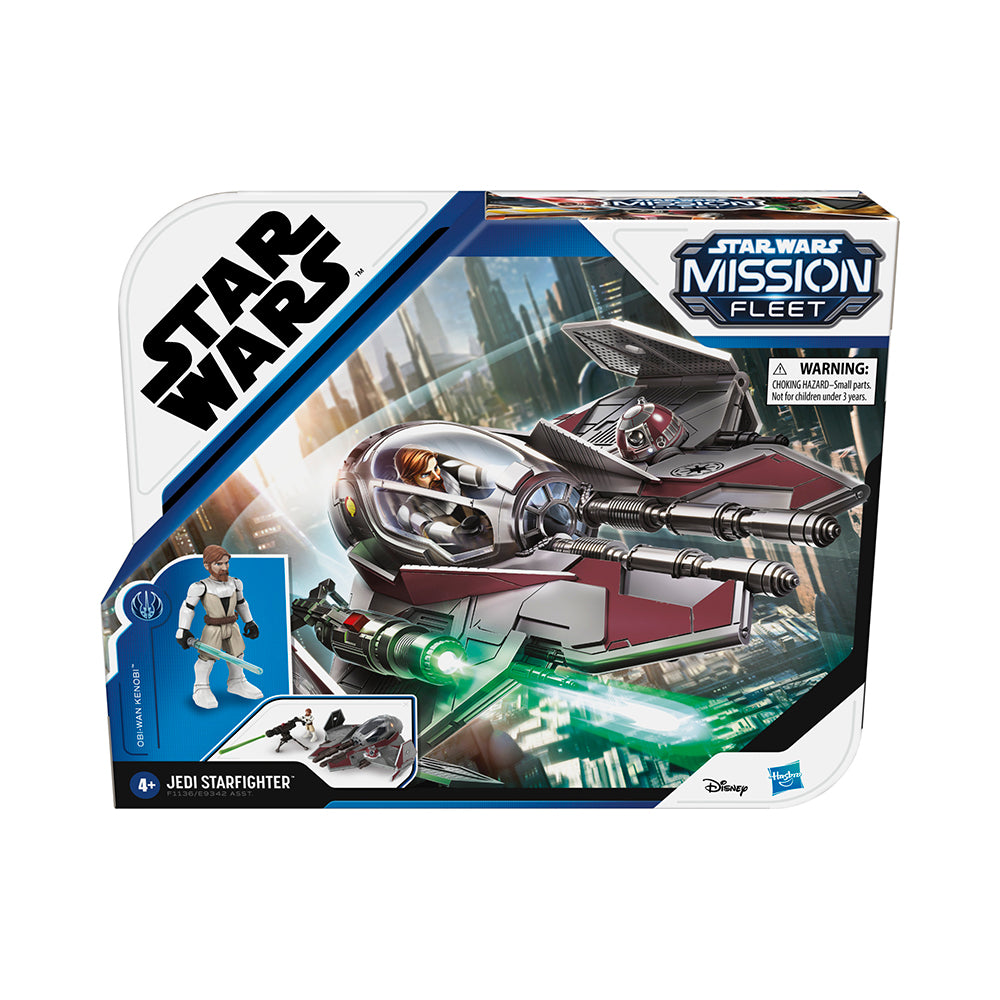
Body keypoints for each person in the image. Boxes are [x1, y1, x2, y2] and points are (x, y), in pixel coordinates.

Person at [176, 545, 262, 709]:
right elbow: (187, 607)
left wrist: (249, 621)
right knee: (207, 658)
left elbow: (241, 603)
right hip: (213, 627)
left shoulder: (235, 583)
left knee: (237, 654)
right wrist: (183, 630)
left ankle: (237, 681)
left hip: (232, 625)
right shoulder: (200, 586)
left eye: (226, 563)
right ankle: (201, 687)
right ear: (207, 565)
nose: (224, 567)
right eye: (218, 564)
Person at [392, 447, 493, 549]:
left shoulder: (450, 474)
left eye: (436, 468)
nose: (437, 477)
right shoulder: (409, 510)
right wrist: (455, 533)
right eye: (425, 475)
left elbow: (483, 476)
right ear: (410, 481)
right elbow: (428, 529)